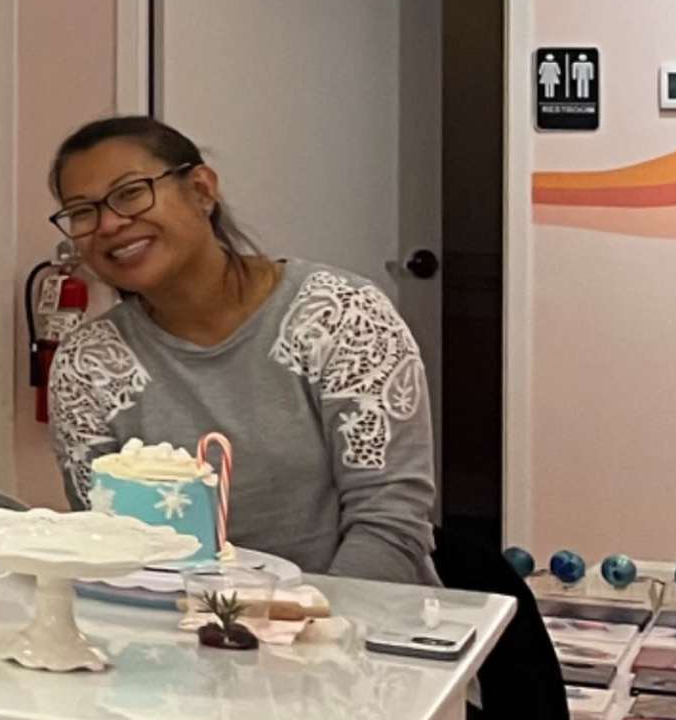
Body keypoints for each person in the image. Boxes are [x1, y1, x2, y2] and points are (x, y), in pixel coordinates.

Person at [41, 115, 440, 584]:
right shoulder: (87, 365)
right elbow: (109, 542)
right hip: (170, 631)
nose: (109, 224)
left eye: (130, 193)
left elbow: (390, 519)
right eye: (83, 212)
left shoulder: (339, 315)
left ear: (202, 190)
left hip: (354, 623)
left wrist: (302, 627)